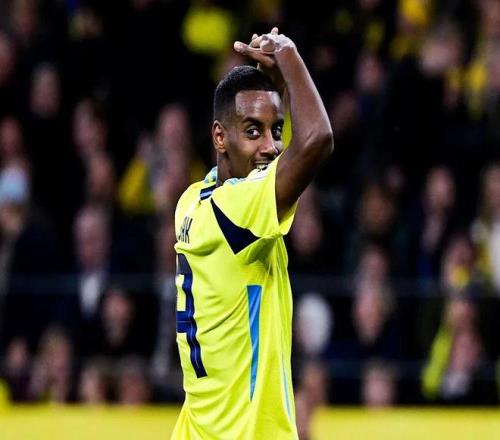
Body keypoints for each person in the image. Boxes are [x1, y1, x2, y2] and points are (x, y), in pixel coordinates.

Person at [171, 28, 333, 439]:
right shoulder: (237, 210)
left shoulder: (192, 202)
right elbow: (316, 139)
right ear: (219, 136)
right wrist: (289, 55)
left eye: (276, 130)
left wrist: (279, 89)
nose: (271, 146)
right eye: (252, 131)